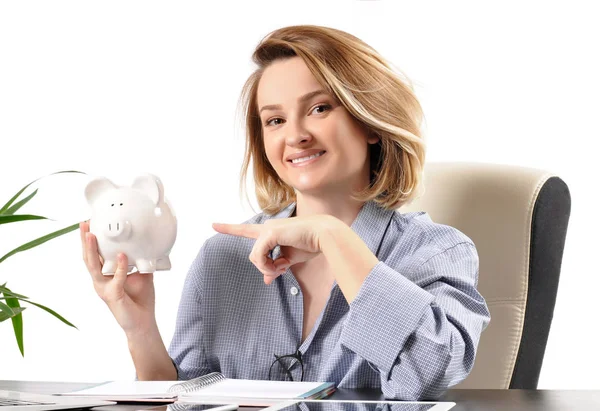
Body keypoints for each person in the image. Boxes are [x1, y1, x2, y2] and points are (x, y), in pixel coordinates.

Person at [80, 25, 490, 401]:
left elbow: (430, 373)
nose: (295, 135)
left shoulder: (435, 252)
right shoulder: (222, 258)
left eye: (319, 109)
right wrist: (140, 330)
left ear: (369, 122)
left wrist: (332, 236)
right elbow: (184, 401)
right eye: (275, 120)